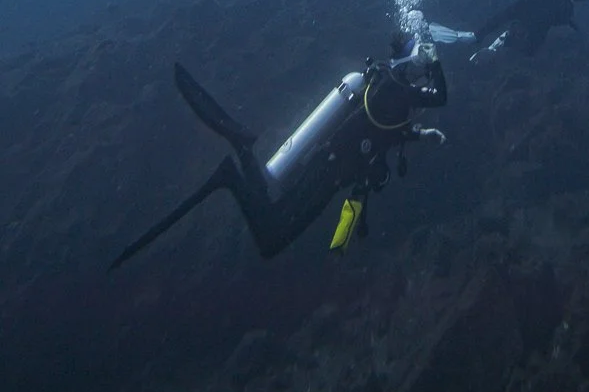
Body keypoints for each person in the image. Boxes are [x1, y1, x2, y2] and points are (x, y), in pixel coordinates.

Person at [109, 32, 447, 268]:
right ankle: (236, 161)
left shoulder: (387, 88)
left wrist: (421, 134)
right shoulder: (394, 87)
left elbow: (382, 131)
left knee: (272, 228)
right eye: (421, 57)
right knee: (272, 239)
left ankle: (237, 161)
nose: (423, 68)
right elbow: (439, 97)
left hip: (329, 169)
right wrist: (436, 63)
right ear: (411, 58)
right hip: (327, 171)